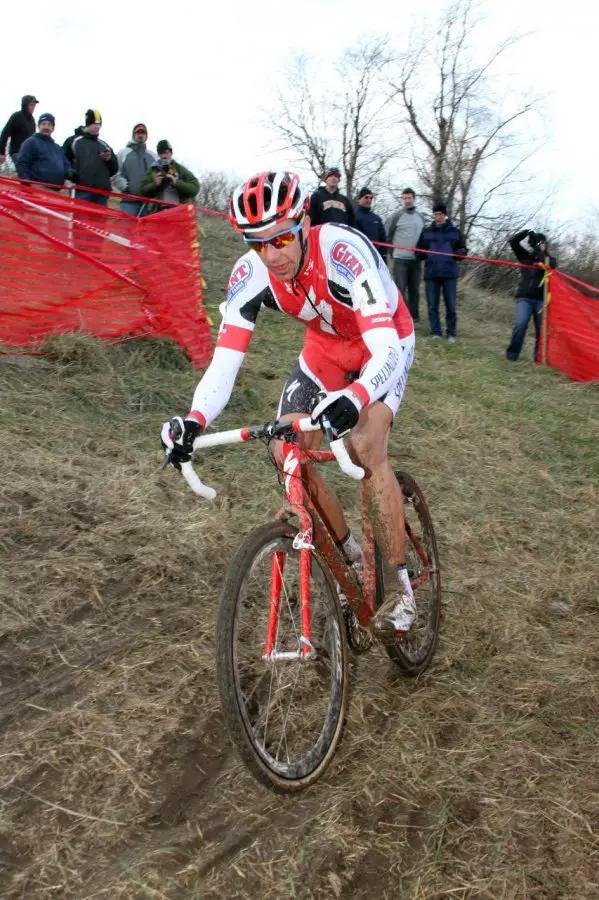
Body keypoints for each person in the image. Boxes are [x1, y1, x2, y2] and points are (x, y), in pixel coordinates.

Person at [161, 171, 417, 636]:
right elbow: (224, 363)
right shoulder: (251, 273)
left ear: (302, 222)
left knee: (364, 443)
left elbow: (386, 350)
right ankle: (348, 554)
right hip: (324, 351)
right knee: (287, 450)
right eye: (258, 244)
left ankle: (400, 586)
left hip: (385, 341)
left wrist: (358, 396)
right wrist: (194, 419)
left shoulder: (341, 250)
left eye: (280, 239)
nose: (272, 255)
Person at [417, 202, 467, 342]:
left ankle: (451, 333)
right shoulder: (427, 232)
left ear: (445, 215)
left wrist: (459, 253)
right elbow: (419, 250)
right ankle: (436, 332)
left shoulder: (454, 232)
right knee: (432, 305)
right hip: (431, 273)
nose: (438, 217)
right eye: (436, 214)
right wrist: (420, 254)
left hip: (449, 274)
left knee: (451, 305)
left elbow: (463, 250)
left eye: (440, 214)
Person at [505, 229, 557, 362]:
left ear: (545, 244)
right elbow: (513, 242)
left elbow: (549, 264)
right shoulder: (525, 257)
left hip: (541, 301)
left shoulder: (549, 259)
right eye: (535, 243)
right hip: (524, 298)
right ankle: (512, 355)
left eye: (541, 243)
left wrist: (540, 248)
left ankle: (537, 358)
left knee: (541, 331)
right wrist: (524, 233)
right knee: (521, 325)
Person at [386, 188, 426, 322]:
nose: (407, 201)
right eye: (405, 198)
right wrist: (392, 252)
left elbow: (424, 237)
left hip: (415, 260)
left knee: (414, 290)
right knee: (400, 289)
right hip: (400, 258)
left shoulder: (420, 217)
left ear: (414, 199)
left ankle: (414, 316)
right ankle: (401, 317)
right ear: (402, 200)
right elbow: (388, 234)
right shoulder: (396, 216)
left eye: (409, 198)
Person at [63, 109, 118, 205]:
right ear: (88, 124)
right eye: (94, 123)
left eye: (99, 124)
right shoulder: (73, 141)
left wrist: (109, 160)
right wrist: (71, 174)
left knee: (99, 220)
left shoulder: (104, 145)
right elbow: (63, 160)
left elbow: (115, 168)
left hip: (101, 194)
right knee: (79, 219)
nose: (97, 126)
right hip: (81, 191)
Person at [140, 140, 199, 214]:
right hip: (157, 214)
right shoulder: (151, 170)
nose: (164, 156)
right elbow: (143, 191)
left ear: (171, 153)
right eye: (161, 153)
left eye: (166, 152)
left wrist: (176, 183)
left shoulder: (179, 169)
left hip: (179, 213)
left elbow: (195, 188)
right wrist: (155, 184)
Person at [16, 113, 71, 189]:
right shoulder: (30, 142)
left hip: (55, 192)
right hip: (36, 189)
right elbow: (21, 164)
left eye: (49, 125)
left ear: (53, 128)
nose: (46, 127)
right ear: (38, 126)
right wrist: (28, 184)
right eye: (43, 124)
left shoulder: (58, 148)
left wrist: (71, 173)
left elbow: (66, 165)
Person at [114, 123, 157, 216]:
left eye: (143, 133)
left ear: (146, 136)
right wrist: (125, 187)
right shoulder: (123, 153)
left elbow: (159, 175)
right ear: (134, 135)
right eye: (138, 133)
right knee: (127, 230)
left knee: (147, 231)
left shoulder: (154, 157)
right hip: (129, 202)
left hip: (148, 204)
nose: (140, 135)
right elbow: (115, 173)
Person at [0, 95, 39, 169]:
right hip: (17, 152)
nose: (33, 107)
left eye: (34, 105)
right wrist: (1, 153)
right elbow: (5, 133)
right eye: (31, 105)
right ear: (25, 105)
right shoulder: (17, 116)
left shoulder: (32, 121)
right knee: (24, 169)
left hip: (29, 154)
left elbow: (33, 140)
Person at [354, 187, 387, 258]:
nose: (369, 200)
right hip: (359, 255)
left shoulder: (376, 218)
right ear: (359, 199)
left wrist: (384, 254)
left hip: (375, 255)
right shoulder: (353, 216)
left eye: (371, 198)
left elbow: (382, 238)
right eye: (366, 197)